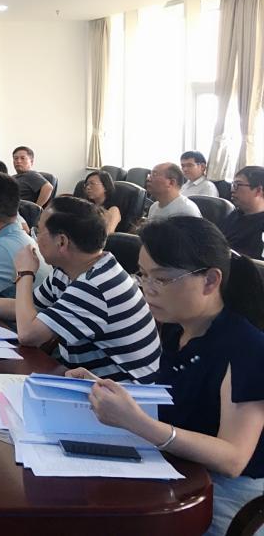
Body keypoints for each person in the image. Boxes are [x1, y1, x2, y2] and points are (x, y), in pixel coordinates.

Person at [67, 216, 264, 536]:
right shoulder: (178, 328)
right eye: (143, 275)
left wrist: (138, 422)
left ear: (210, 281)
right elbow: (173, 399)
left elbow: (233, 459)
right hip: (178, 468)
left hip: (227, 494)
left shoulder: (247, 348)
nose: (147, 289)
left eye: (161, 279)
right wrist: (106, 389)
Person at [0, 196, 160, 381]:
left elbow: (29, 335)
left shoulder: (95, 285)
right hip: (91, 387)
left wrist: (25, 273)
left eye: (39, 231)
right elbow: (24, 307)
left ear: (62, 241)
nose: (34, 238)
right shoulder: (70, 270)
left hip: (126, 405)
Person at [219, 165, 264, 259]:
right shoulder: (234, 214)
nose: (232, 190)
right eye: (232, 185)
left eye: (237, 185)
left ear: (258, 190)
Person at [81, 170, 122, 235]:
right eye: (86, 184)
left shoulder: (113, 210)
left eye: (92, 184)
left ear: (105, 187)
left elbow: (107, 235)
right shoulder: (87, 206)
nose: (88, 187)